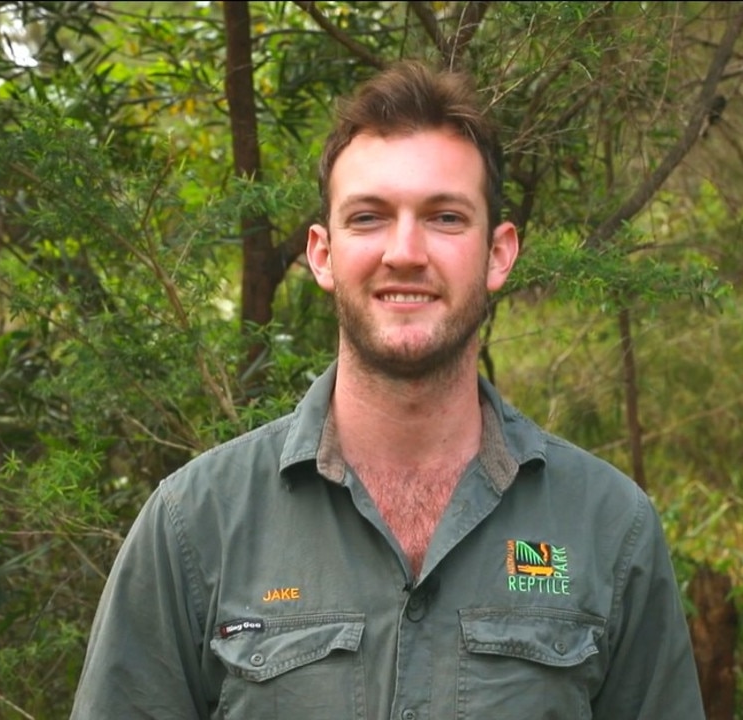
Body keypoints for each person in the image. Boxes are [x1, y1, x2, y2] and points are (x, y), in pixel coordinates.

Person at [71, 60, 705, 720]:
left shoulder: (609, 528)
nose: (405, 251)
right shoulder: (194, 528)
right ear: (323, 253)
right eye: (369, 217)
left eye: (446, 218)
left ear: (499, 253)